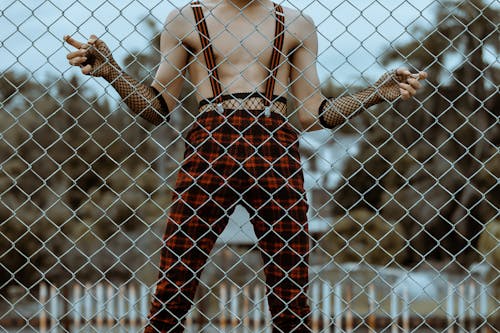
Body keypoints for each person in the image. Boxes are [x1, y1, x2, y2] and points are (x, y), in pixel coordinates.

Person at [64, 0, 427, 331]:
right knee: (174, 284)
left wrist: (374, 94)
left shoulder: (297, 23)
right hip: (211, 142)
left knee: (290, 293)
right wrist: (112, 72)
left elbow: (312, 113)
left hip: (274, 144)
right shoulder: (184, 19)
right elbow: (157, 106)